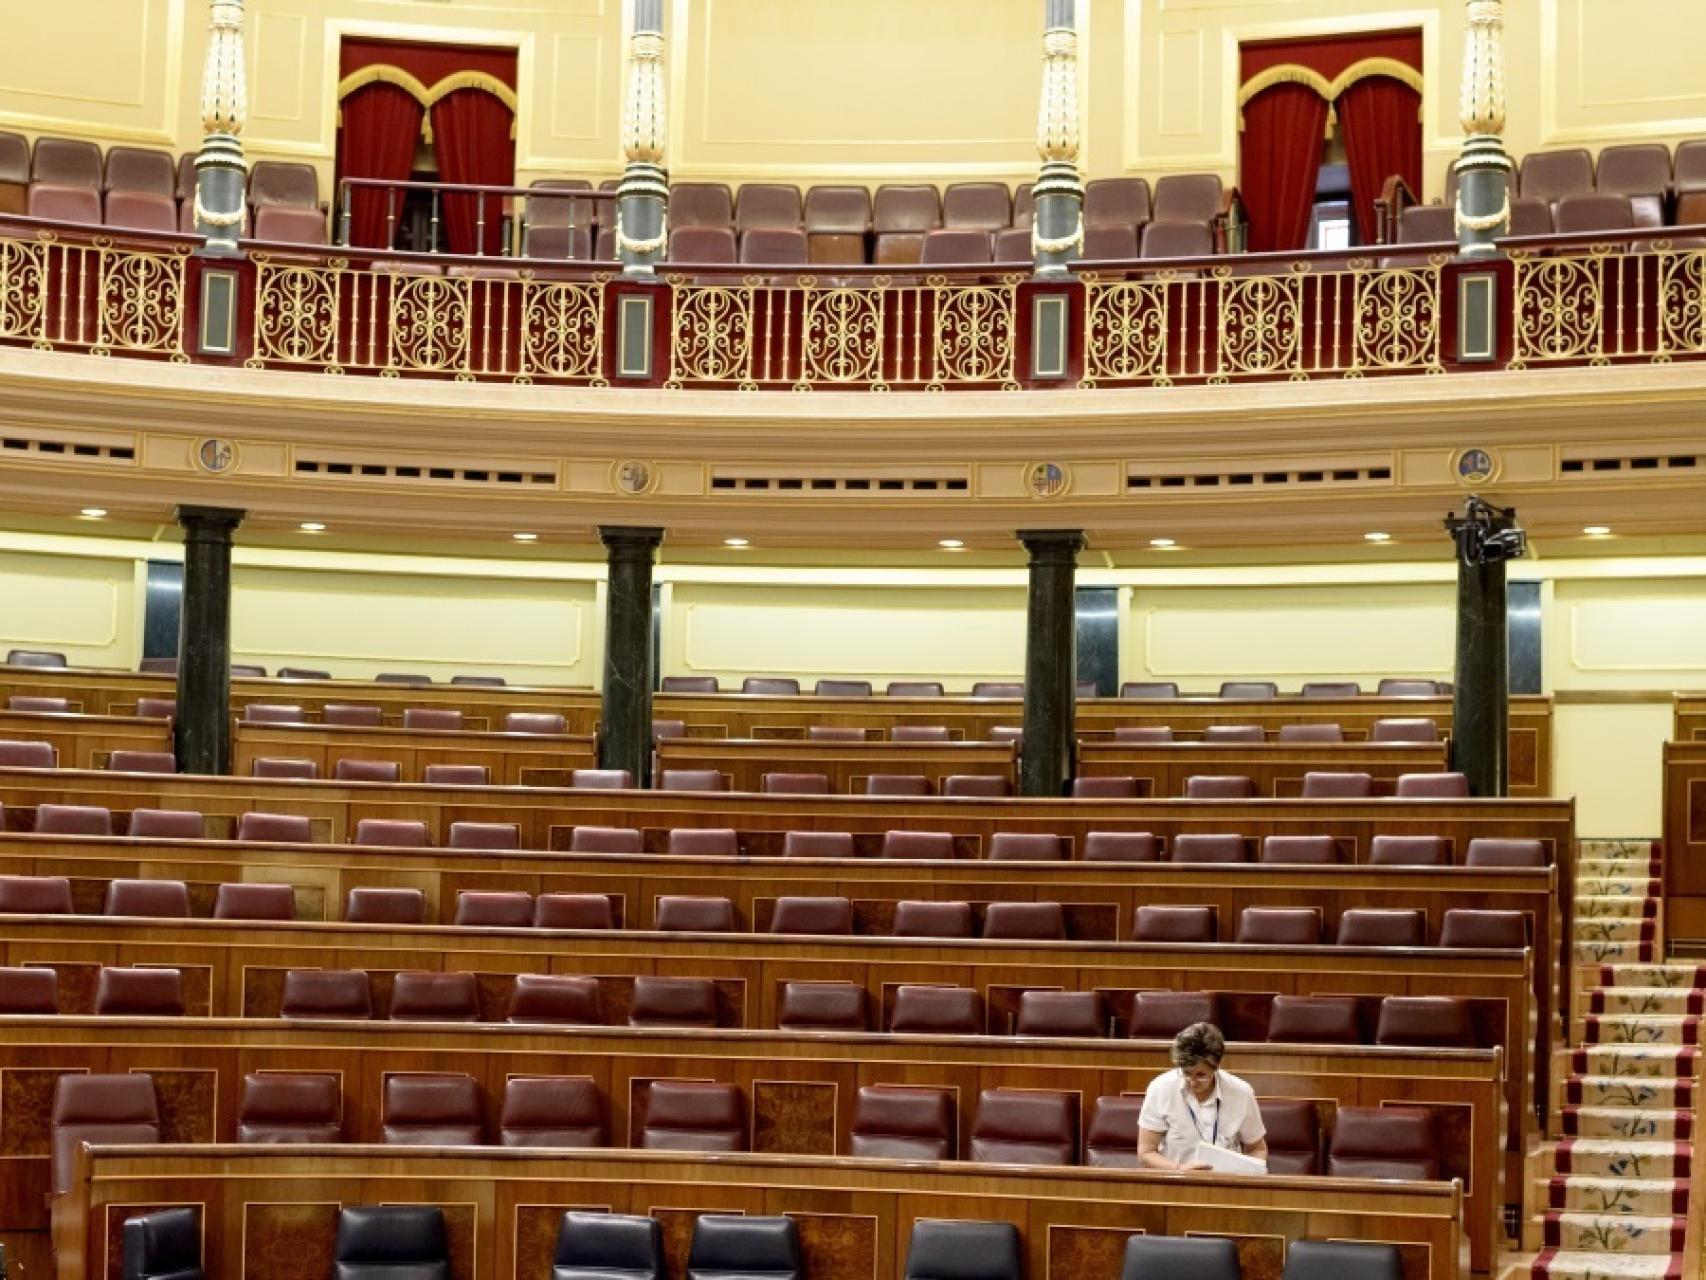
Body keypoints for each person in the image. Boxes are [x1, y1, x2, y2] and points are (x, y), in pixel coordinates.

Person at [1137, 1022, 1268, 1171]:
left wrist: (1248, 1174)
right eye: (1186, 1073)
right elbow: (1146, 1153)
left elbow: (1257, 1149)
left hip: (1226, 1186)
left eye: (1200, 1075)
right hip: (1176, 1182)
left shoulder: (1241, 1093)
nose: (1192, 1083)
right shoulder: (1160, 1089)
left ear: (1216, 1067)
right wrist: (1180, 1169)